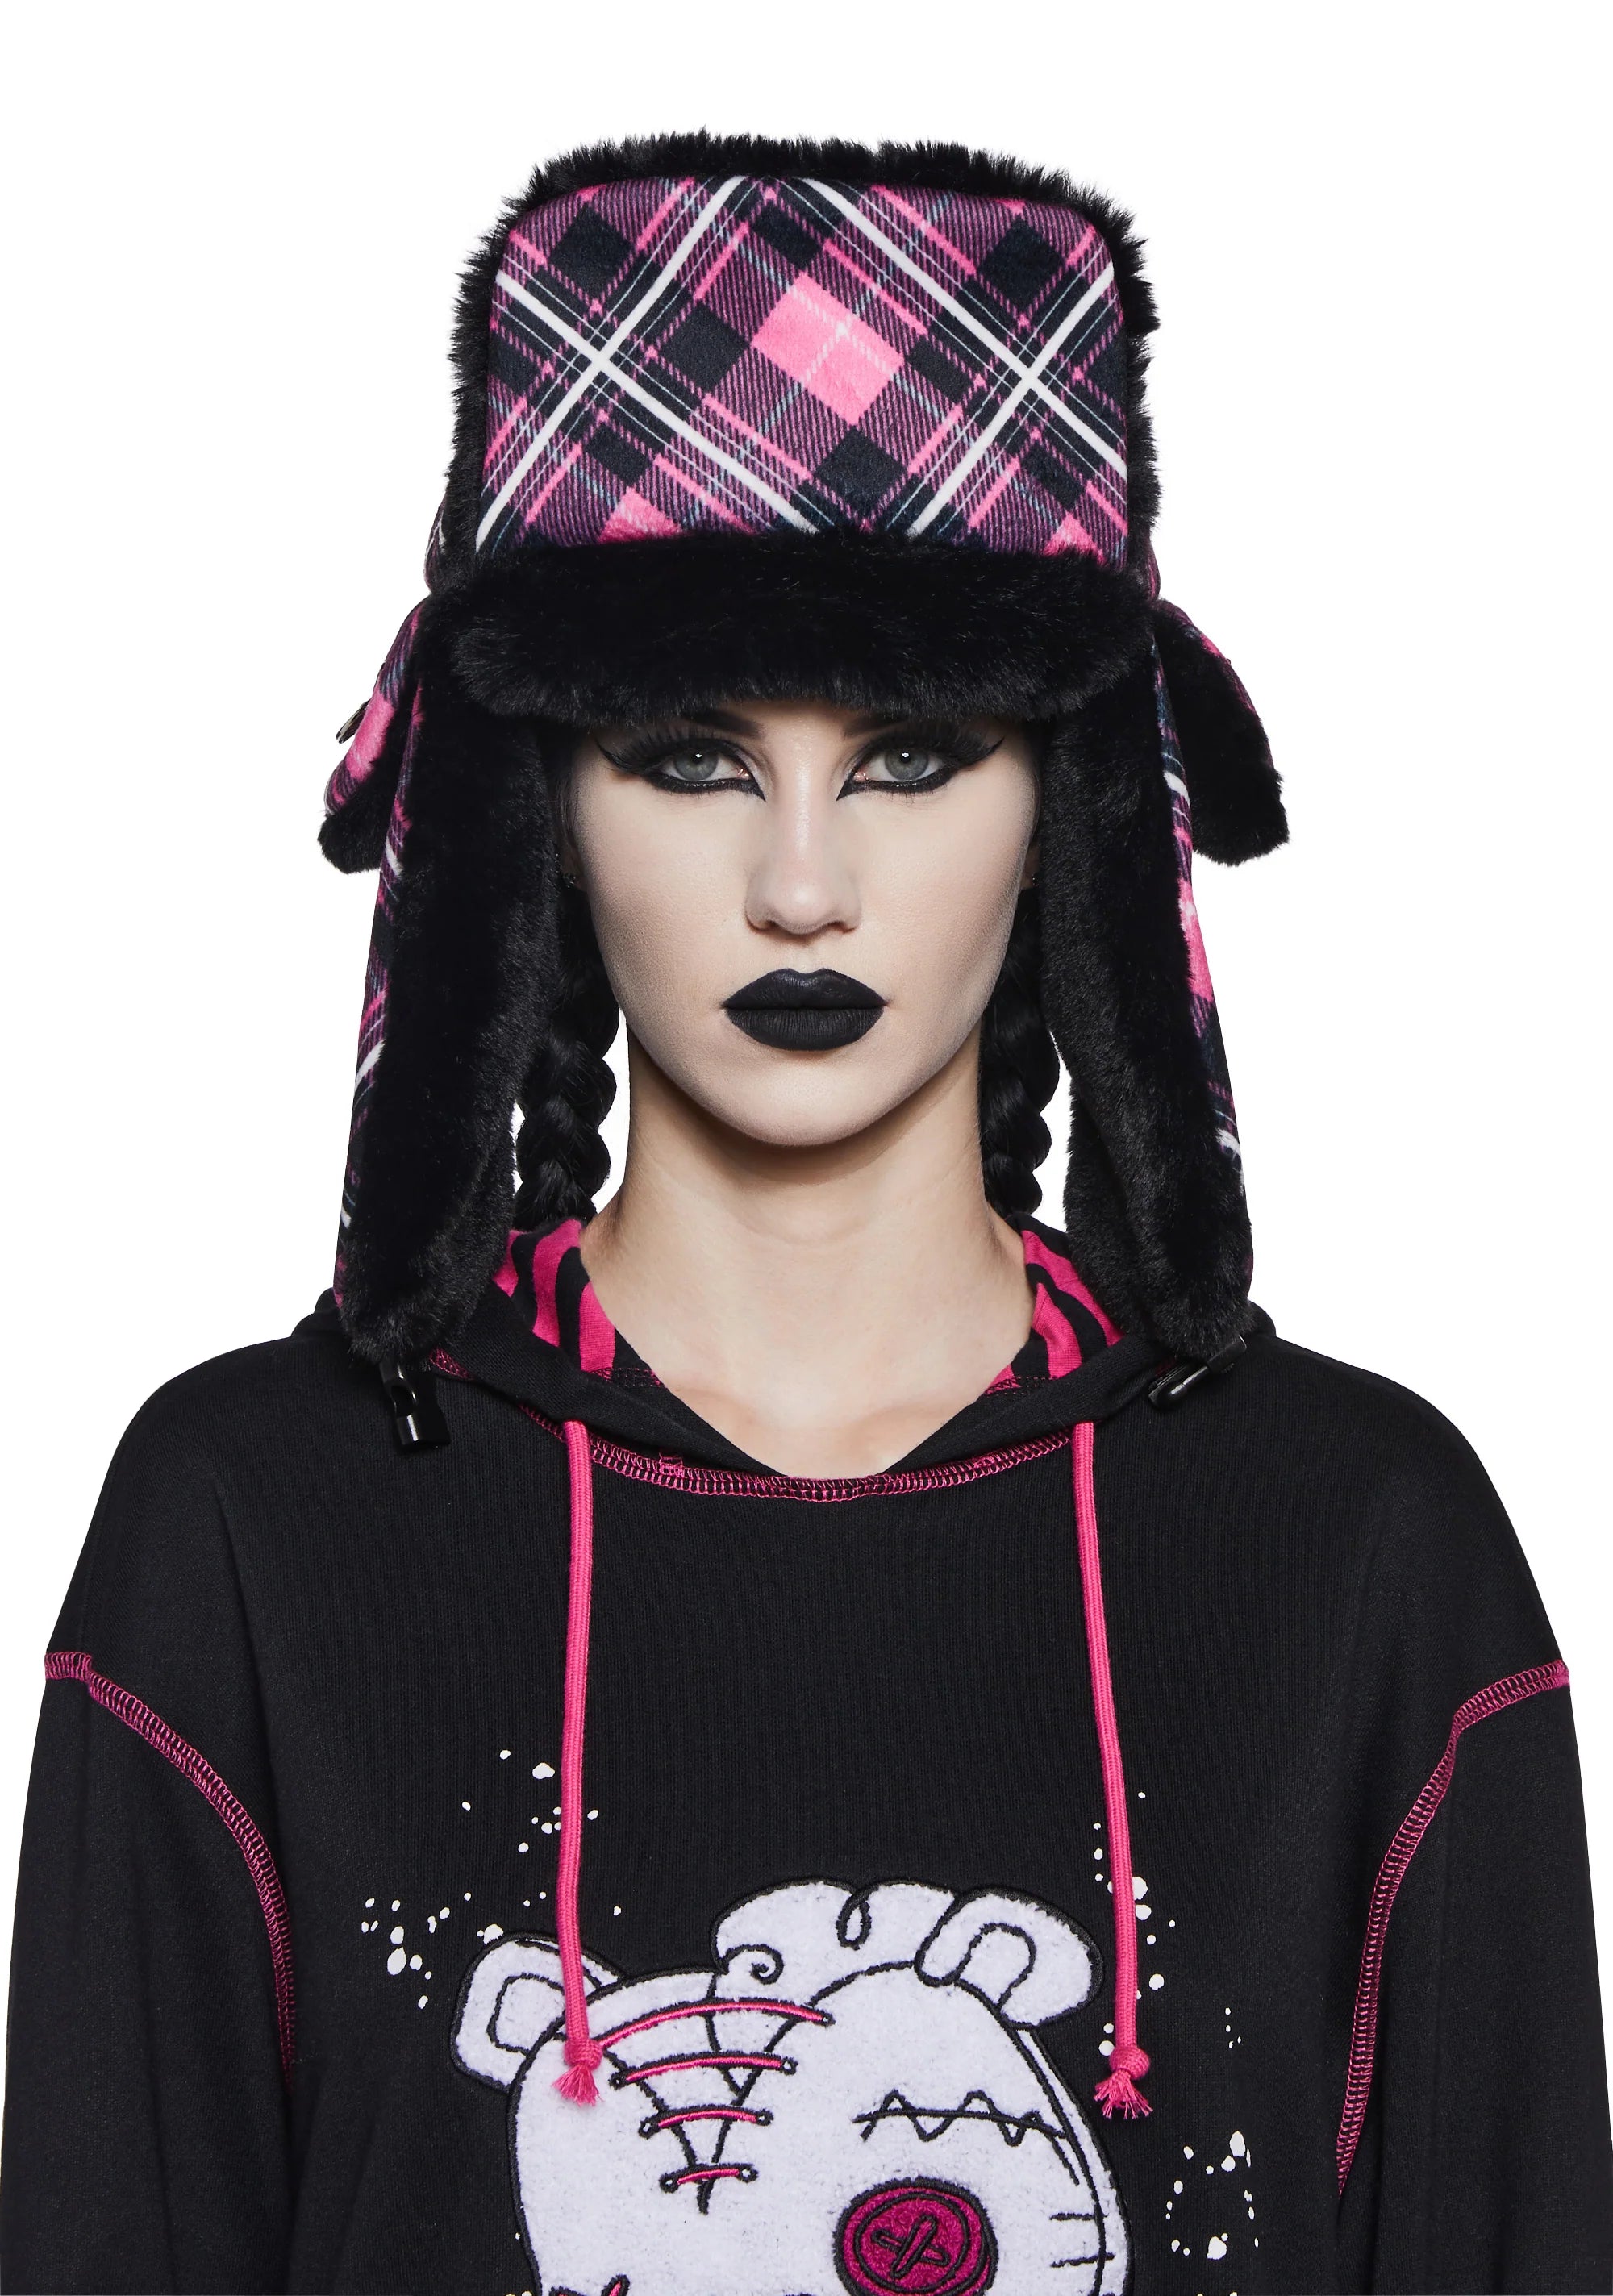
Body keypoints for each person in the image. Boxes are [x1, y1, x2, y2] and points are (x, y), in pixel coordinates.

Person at [2, 131, 1608, 2296]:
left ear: (1070, 802)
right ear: (536, 801)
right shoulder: (254, 1524)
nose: (801, 882)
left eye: (913, 755)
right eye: (688, 756)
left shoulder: (1359, 1546)